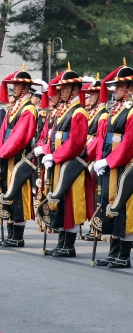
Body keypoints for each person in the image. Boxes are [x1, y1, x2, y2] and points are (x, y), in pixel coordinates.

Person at [35, 67, 94, 257]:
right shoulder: (62, 110)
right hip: (57, 162)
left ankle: (69, 245)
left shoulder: (79, 112)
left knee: (70, 203)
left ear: (75, 90)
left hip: (71, 163)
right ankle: (61, 242)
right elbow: (51, 137)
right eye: (60, 88)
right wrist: (46, 151)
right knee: (58, 202)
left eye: (65, 88)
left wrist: (56, 156)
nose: (61, 91)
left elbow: (76, 143)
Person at [0, 69, 39, 247]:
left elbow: (21, 136)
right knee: (6, 190)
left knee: (17, 194)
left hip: (19, 157)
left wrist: (2, 152)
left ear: (25, 87)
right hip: (7, 155)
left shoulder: (28, 109)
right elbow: (3, 132)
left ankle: (17, 235)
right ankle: (10, 232)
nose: (14, 88)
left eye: (17, 85)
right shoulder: (14, 107)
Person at [92, 64, 133, 268]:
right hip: (112, 163)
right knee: (110, 204)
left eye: (119, 86)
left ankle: (123, 255)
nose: (114, 89)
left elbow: (128, 143)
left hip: (125, 165)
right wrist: (102, 158)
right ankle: (113, 251)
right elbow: (104, 138)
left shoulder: (132, 111)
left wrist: (109, 160)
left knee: (123, 208)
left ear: (129, 89)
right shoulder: (115, 110)